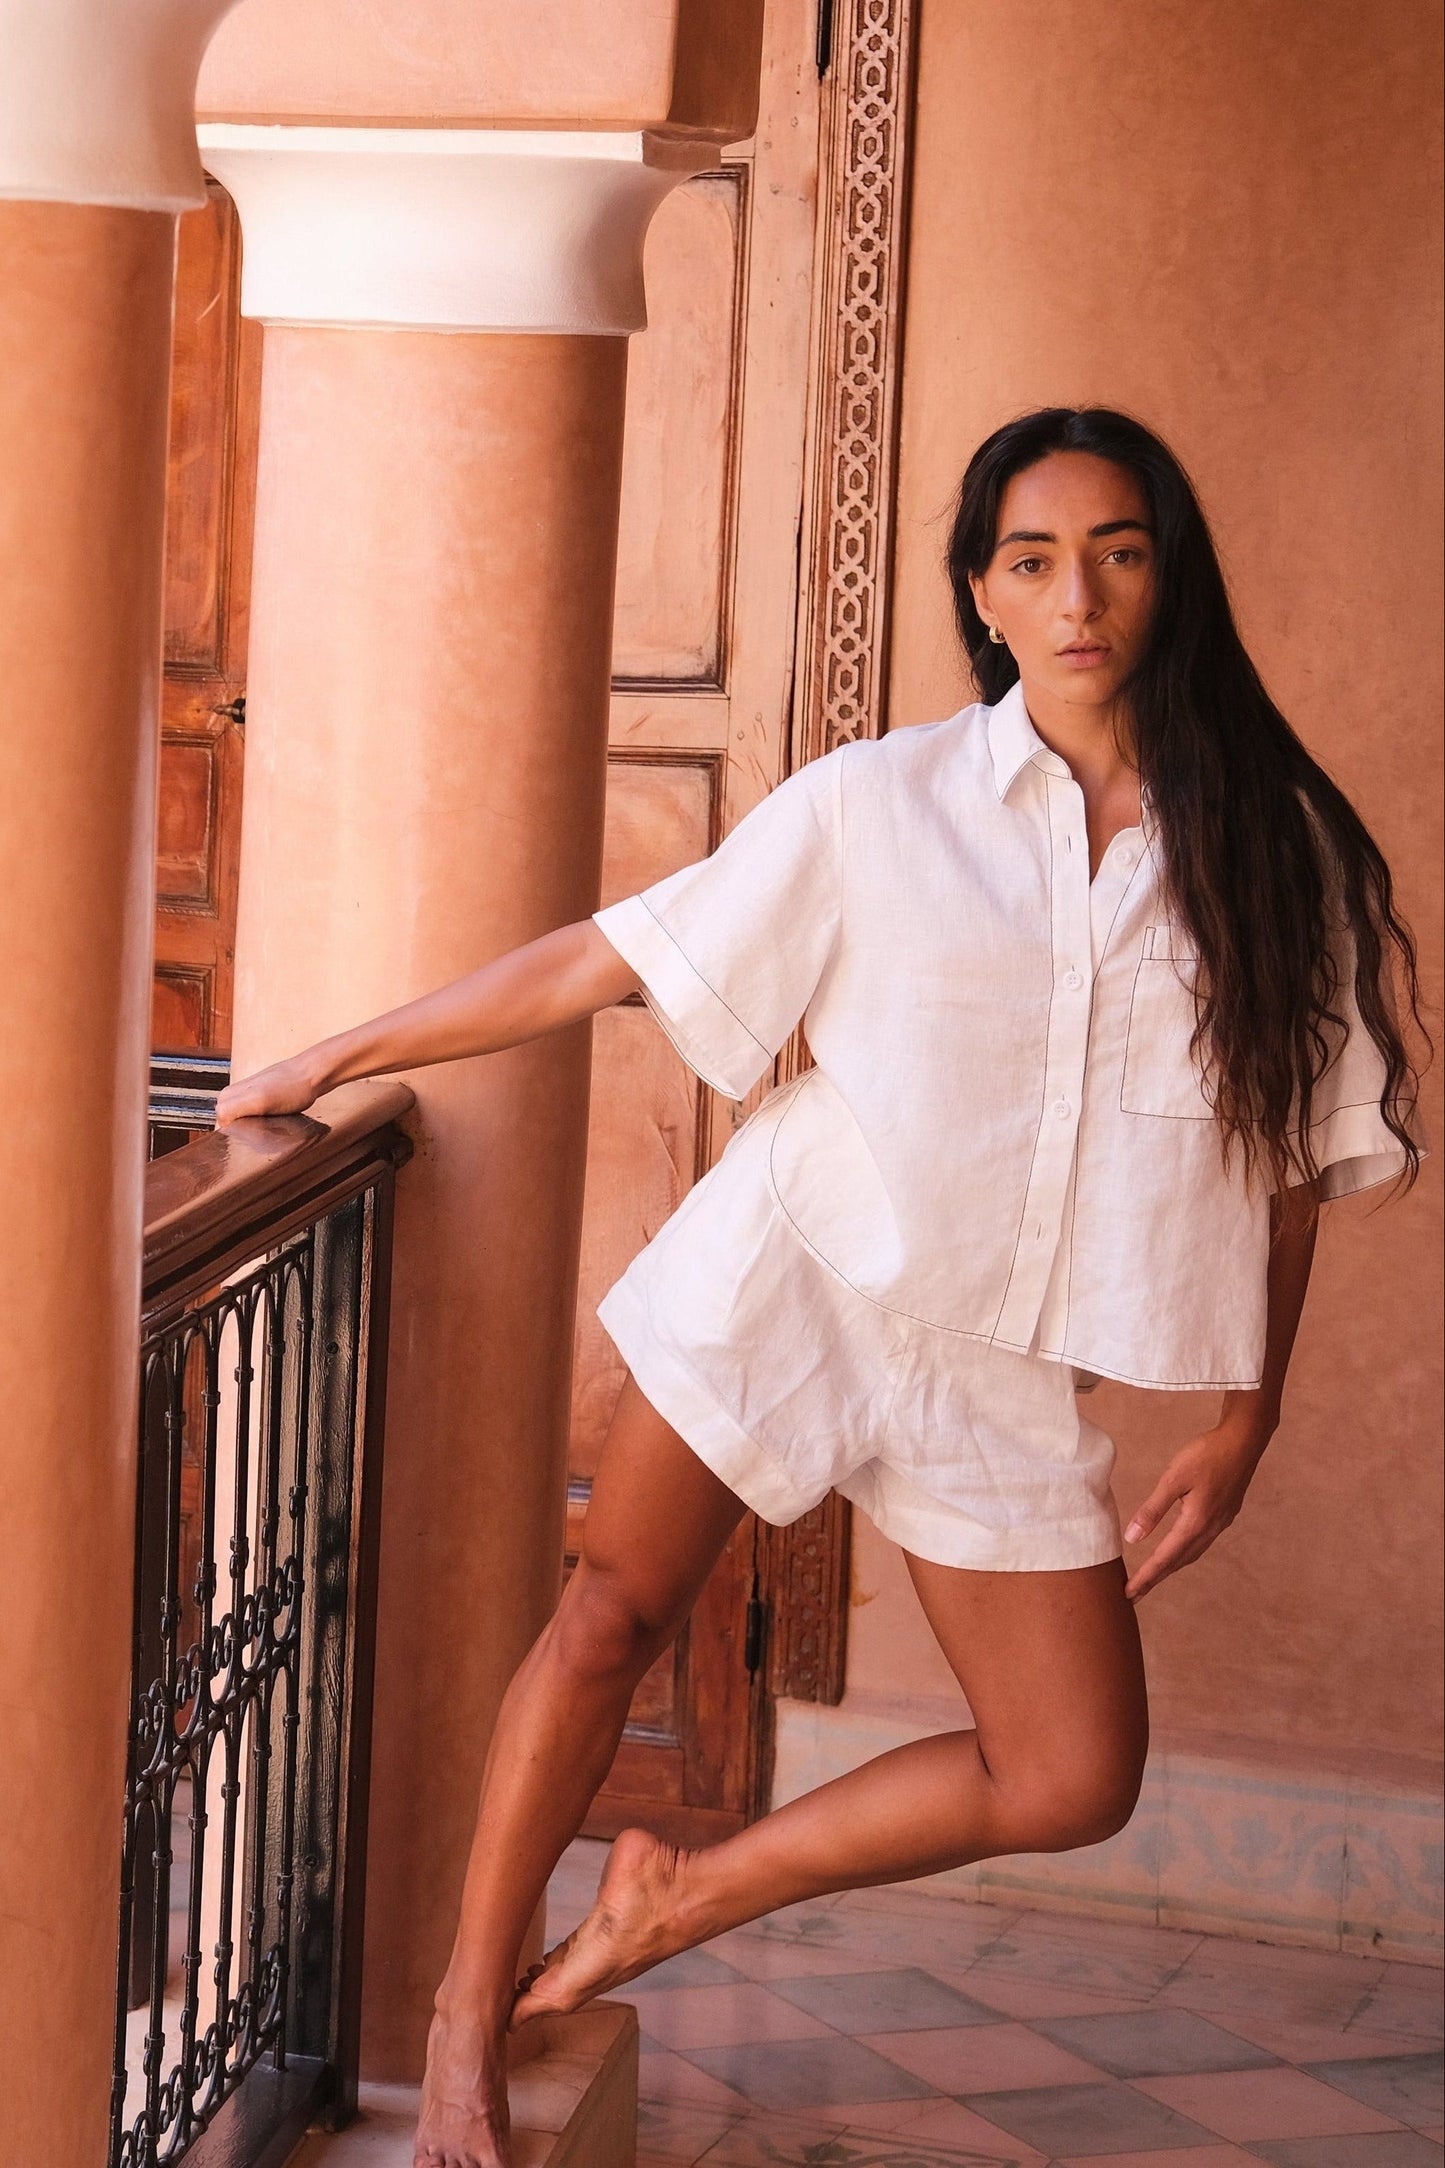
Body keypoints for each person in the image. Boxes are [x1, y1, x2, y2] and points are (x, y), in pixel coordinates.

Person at [216, 407, 1425, 2168]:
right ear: (981, 595)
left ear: (1170, 578)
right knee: (609, 1616)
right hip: (796, 1271)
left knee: (1070, 1773)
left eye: (1118, 549)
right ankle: (469, 2005)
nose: (1075, 592)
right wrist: (345, 1043)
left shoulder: (1268, 852)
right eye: (1032, 558)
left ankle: (675, 1896)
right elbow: (623, 952)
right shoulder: (881, 804)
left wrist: (1246, 1423)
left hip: (999, 1364)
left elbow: (1294, 1152)